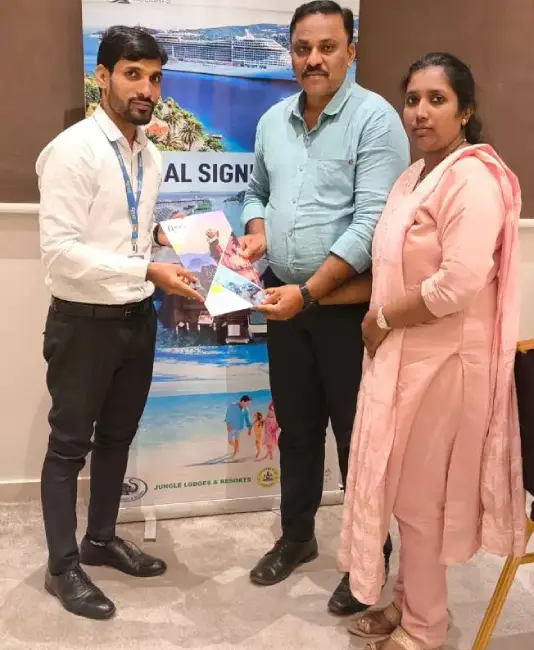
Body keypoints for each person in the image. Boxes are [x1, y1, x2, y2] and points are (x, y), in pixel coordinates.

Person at [338, 53, 526, 650]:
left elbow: (457, 285)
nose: (419, 112)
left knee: (420, 501)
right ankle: (407, 601)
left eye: (436, 99)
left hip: (445, 367)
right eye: (412, 99)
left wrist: (383, 318)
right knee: (401, 492)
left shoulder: (474, 180)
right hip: (405, 359)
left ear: (465, 111)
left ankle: (424, 629)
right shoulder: (416, 175)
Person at [239, 0, 410, 616]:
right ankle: (297, 537)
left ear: (350, 51)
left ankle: (368, 559)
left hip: (343, 311)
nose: (313, 59)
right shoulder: (272, 121)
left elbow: (371, 225)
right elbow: (256, 191)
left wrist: (309, 293)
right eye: (302, 48)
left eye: (327, 47)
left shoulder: (375, 120)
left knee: (356, 440)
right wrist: (257, 233)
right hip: (285, 304)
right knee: (297, 430)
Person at [36, 26, 203, 621]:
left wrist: (173, 239)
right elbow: (60, 252)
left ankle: (101, 540)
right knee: (68, 448)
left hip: (136, 317)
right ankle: (62, 568)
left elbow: (126, 229)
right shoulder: (73, 151)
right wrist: (147, 268)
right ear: (102, 76)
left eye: (155, 78)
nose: (146, 89)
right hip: (83, 323)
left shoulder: (148, 154)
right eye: (133, 75)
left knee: (117, 438)